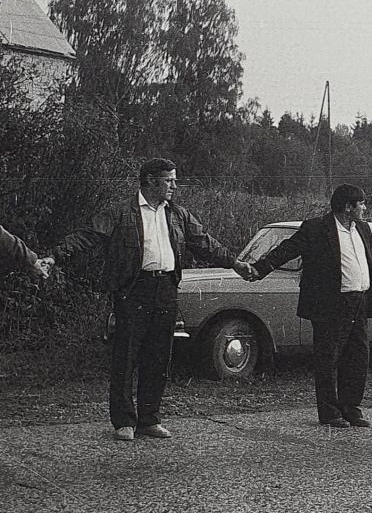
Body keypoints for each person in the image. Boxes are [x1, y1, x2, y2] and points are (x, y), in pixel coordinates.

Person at [46, 158, 253, 441]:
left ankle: (149, 420)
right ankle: (123, 422)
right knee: (126, 356)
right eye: (169, 180)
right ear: (151, 180)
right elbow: (87, 236)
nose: (174, 185)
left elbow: (205, 243)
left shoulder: (178, 214)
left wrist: (236, 264)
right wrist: (54, 255)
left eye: (173, 180)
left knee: (158, 357)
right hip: (133, 291)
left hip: (166, 289)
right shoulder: (120, 212)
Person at [250, 183, 372, 428]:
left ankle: (350, 408)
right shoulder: (316, 228)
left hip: (359, 302)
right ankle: (330, 412)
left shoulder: (362, 228)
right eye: (361, 203)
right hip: (331, 304)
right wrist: (259, 269)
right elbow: (287, 249)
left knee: (358, 357)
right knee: (328, 358)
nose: (364, 208)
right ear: (347, 207)